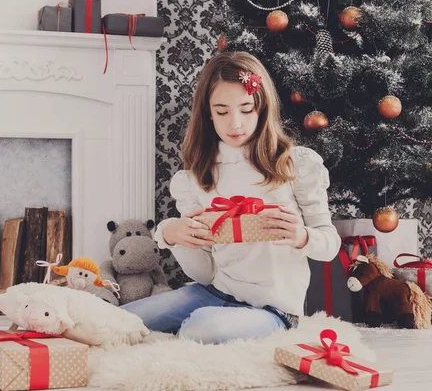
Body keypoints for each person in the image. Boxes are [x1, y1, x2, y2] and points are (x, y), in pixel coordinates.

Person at [121, 51, 341, 344]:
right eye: (222, 112)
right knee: (120, 321)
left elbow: (330, 246)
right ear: (208, 113)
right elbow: (204, 272)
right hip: (212, 293)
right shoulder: (197, 177)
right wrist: (172, 236)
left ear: (261, 108)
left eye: (246, 109)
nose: (235, 124)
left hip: (273, 310)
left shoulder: (296, 165)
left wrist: (301, 236)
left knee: (198, 329)